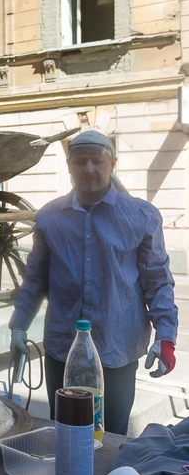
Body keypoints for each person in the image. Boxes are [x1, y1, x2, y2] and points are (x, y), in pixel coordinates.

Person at [9, 129, 178, 436]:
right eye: (80, 161)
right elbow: (35, 277)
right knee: (65, 430)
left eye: (97, 161)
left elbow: (157, 280)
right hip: (63, 347)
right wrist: (19, 324)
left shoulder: (141, 216)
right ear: (69, 165)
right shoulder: (50, 217)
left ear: (112, 163)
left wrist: (166, 336)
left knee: (111, 435)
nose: (89, 169)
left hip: (117, 346)